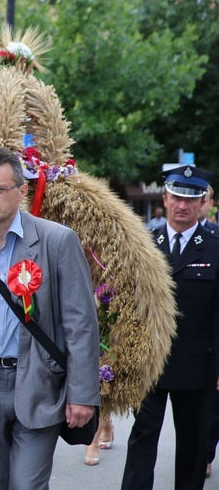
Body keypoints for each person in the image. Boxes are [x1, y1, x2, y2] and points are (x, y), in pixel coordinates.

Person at [0, 148, 100, 489]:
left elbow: (81, 325)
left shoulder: (57, 241)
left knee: (26, 485)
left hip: (38, 385)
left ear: (21, 191)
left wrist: (82, 394)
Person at [121, 165, 219, 489]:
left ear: (204, 203)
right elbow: (127, 304)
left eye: (191, 200)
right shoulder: (144, 244)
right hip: (149, 362)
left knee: (192, 446)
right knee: (141, 442)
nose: (182, 206)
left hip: (196, 362)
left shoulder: (215, 248)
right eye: (176, 197)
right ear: (164, 198)